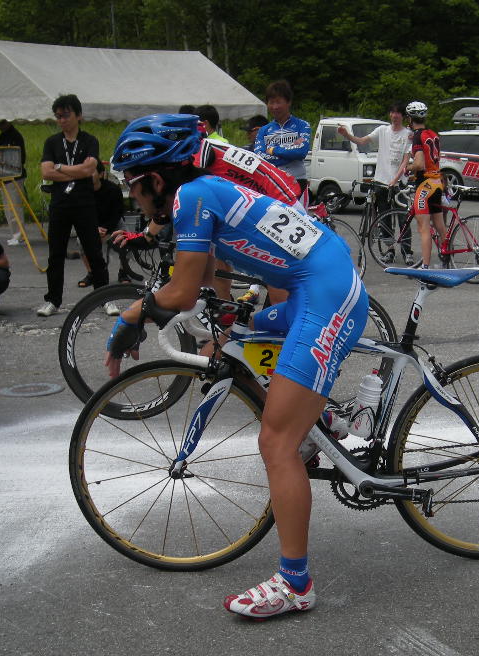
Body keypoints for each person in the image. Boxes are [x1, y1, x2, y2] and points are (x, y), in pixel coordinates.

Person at [108, 114, 368, 618]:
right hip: (316, 283)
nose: (132, 198)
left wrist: (128, 319)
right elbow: (202, 282)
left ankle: (295, 585)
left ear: (155, 180)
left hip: (324, 294)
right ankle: (326, 422)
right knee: (246, 338)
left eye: (132, 186)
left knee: (276, 442)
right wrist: (218, 316)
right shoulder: (202, 193)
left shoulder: (192, 196)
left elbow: (180, 293)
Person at [37, 94, 108, 317]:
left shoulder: (89, 141)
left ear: (78, 116)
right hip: (60, 203)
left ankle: (104, 297)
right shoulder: (52, 142)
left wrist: (60, 167)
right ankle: (53, 299)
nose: (62, 120)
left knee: (93, 251)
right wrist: (76, 172)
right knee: (55, 254)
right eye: (58, 116)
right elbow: (46, 172)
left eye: (66, 115)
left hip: (84, 203)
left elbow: (90, 169)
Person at [336, 101, 411, 222]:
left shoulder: (408, 135)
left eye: (398, 113)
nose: (394, 115)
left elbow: (405, 161)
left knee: (404, 218)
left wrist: (394, 180)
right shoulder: (382, 130)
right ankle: (385, 234)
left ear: (403, 116)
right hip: (381, 180)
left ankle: (404, 236)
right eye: (392, 112)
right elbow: (362, 141)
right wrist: (347, 135)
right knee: (383, 217)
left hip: (399, 183)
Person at [405, 101, 446, 268]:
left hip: (425, 185)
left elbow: (419, 164)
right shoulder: (432, 134)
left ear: (409, 119)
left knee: (423, 228)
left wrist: (407, 168)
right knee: (440, 226)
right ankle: (446, 261)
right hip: (437, 183)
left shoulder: (417, 136)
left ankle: (426, 266)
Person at [253, 80, 312, 197]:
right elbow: (259, 156)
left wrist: (272, 150)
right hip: (271, 181)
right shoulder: (263, 130)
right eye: (271, 102)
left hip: (297, 181)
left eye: (278, 102)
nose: (275, 107)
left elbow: (301, 152)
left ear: (288, 102)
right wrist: (289, 152)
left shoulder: (302, 125)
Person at [78, 159, 127, 287]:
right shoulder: (81, 192)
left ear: (100, 174)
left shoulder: (113, 190)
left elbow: (118, 213)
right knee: (81, 241)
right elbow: (80, 215)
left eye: (91, 171)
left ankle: (124, 271)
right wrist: (94, 229)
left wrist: (106, 229)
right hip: (92, 225)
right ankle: (91, 273)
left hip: (113, 223)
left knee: (126, 239)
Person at [0, 119, 27, 247]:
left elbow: (21, 158)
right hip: (4, 175)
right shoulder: (3, 135)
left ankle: (19, 236)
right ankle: (15, 234)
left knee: (15, 207)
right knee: (8, 208)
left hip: (15, 176)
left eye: (1, 123)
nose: (0, 126)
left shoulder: (15, 136)